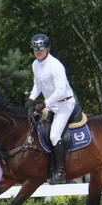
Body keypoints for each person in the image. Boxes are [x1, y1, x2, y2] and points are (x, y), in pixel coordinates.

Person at [24, 33, 76, 183]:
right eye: (35, 48)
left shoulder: (56, 66)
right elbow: (38, 85)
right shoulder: (35, 64)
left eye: (41, 47)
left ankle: (60, 173)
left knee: (54, 135)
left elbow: (60, 90)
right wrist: (31, 98)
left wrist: (45, 103)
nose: (38, 51)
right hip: (51, 104)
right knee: (37, 129)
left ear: (48, 48)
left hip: (65, 104)